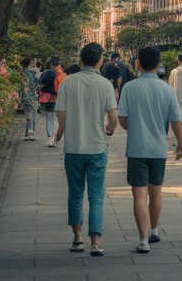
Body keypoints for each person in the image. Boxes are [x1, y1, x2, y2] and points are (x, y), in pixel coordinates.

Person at [117, 46, 182, 254]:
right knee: (156, 190)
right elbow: (175, 120)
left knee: (139, 194)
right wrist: (180, 144)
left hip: (136, 148)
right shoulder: (167, 89)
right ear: (158, 64)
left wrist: (133, 127)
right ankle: (154, 230)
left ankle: (143, 239)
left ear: (138, 64)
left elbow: (122, 119)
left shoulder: (129, 88)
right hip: (158, 149)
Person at [53, 42, 119, 256]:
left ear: (81, 60)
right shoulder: (105, 85)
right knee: (96, 196)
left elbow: (60, 116)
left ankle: (77, 238)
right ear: (100, 60)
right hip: (97, 147)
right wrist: (109, 131)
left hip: (73, 148)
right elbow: (113, 118)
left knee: (75, 194)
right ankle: (95, 243)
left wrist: (59, 135)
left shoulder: (67, 83)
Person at [39, 57, 65, 147]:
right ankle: (54, 136)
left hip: (47, 98)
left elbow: (40, 83)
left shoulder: (45, 73)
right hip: (57, 97)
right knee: (55, 118)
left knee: (50, 118)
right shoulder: (59, 74)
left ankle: (51, 137)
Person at [20, 57, 41, 140]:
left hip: (24, 96)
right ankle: (30, 134)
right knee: (32, 116)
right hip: (32, 96)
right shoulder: (34, 73)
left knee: (29, 116)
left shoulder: (22, 73)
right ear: (30, 63)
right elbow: (37, 84)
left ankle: (27, 133)